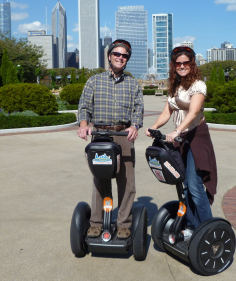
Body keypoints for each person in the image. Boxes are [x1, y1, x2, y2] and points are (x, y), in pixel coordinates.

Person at [145, 46, 217, 232]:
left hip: (197, 138)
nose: (182, 66)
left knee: (194, 185)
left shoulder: (198, 85)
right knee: (184, 186)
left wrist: (177, 130)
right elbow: (166, 113)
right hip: (182, 139)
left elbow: (193, 112)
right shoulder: (175, 87)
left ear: (192, 64)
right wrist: (154, 127)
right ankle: (192, 227)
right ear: (174, 66)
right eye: (179, 63)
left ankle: (207, 230)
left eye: (186, 63)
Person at [77, 39, 144, 239]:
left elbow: (138, 108)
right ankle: (96, 222)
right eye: (117, 54)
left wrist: (135, 125)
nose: (120, 58)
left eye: (124, 56)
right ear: (109, 56)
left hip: (123, 135)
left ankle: (124, 223)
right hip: (99, 136)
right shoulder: (94, 81)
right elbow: (84, 106)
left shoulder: (133, 84)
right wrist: (83, 125)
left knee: (126, 182)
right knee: (100, 179)